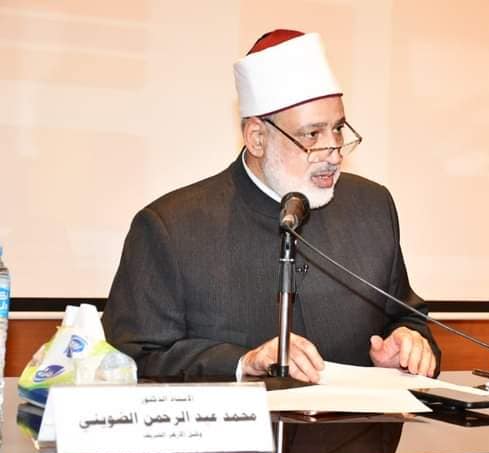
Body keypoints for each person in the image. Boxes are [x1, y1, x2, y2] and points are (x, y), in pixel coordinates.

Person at [102, 29, 440, 383]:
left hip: (354, 420)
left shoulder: (371, 208)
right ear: (257, 138)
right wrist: (243, 361)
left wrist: (407, 344)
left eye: (339, 129)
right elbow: (131, 355)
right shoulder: (171, 227)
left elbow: (408, 317)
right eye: (312, 134)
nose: (334, 153)